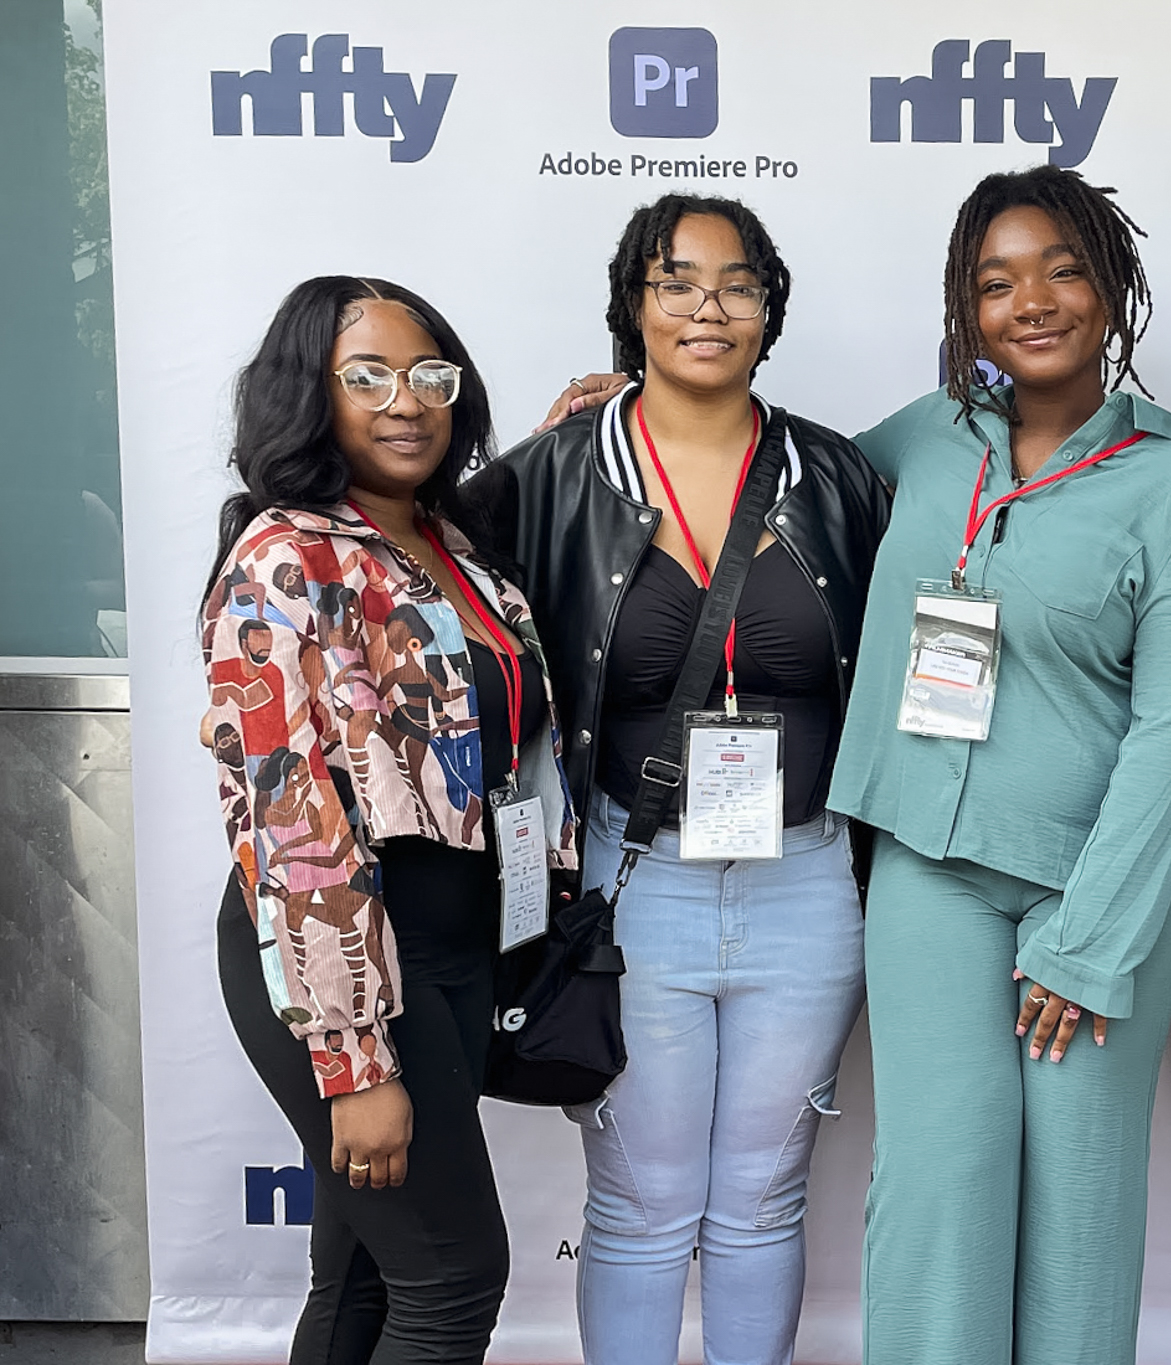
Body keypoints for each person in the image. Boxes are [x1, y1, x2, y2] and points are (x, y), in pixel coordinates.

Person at [827, 165, 1171, 1365]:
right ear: (967, 310)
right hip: (930, 873)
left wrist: (1090, 940)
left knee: (1077, 1214)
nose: (1034, 301)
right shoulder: (922, 436)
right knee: (938, 1183)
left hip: (1095, 894)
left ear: (1113, 292)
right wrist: (625, 426)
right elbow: (770, 486)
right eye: (996, 281)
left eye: (1064, 269)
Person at [470, 194, 888, 1365]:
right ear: (632, 304)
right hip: (630, 880)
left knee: (762, 1198)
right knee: (645, 1206)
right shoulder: (554, 473)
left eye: (737, 283)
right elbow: (424, 593)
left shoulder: (839, 477)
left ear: (770, 308)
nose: (709, 306)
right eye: (676, 281)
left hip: (807, 883)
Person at [203, 276, 577, 1364]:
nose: (405, 402)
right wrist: (355, 1062)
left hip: (456, 942)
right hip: (347, 947)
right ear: (307, 394)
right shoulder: (286, 557)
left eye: (430, 377)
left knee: (367, 1269)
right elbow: (290, 823)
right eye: (365, 377)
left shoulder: (450, 545)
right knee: (454, 1277)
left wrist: (568, 430)